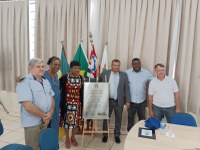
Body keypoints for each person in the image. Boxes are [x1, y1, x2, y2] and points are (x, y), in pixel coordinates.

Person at [16, 58, 55, 150]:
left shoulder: (45, 81)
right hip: (32, 123)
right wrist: (45, 116)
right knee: (33, 147)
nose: (41, 69)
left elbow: (52, 98)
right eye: (38, 66)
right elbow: (28, 106)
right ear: (30, 68)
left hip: (45, 120)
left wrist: (50, 113)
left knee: (43, 145)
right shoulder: (24, 82)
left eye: (42, 66)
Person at [100, 59, 131, 144]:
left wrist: (128, 101)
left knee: (119, 119)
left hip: (119, 101)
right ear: (111, 65)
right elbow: (99, 84)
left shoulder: (124, 75)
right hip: (108, 100)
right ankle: (105, 135)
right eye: (114, 65)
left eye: (118, 65)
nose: (116, 67)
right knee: (106, 118)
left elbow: (127, 89)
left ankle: (117, 135)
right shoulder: (105, 73)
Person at [59, 60, 84, 149]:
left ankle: (73, 138)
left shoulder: (81, 78)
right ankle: (67, 139)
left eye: (78, 68)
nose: (77, 70)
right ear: (71, 68)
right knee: (67, 123)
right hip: (67, 105)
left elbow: (81, 92)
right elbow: (60, 91)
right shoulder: (64, 77)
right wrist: (60, 105)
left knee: (76, 123)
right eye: (75, 68)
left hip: (77, 104)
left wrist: (82, 103)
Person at [126, 58, 153, 131]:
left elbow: (154, 81)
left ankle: (142, 133)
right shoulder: (127, 73)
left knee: (142, 119)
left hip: (142, 101)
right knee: (130, 118)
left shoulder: (146, 73)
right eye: (134, 64)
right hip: (131, 101)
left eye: (138, 63)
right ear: (132, 65)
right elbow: (123, 86)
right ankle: (130, 133)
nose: (136, 65)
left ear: (140, 64)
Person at [43, 56, 60, 143]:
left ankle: (52, 144)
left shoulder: (57, 76)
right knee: (46, 127)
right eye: (55, 64)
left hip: (56, 106)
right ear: (50, 64)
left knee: (54, 125)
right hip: (46, 107)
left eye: (58, 65)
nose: (57, 66)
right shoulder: (43, 75)